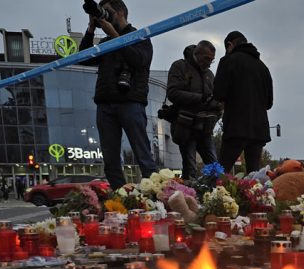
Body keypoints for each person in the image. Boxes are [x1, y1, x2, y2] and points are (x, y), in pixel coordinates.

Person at [79, 0, 157, 190]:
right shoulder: (105, 42)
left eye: (107, 12)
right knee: (110, 158)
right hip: (105, 103)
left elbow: (138, 61)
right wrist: (91, 27)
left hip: (131, 102)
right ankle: (121, 197)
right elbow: (83, 57)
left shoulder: (140, 36)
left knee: (142, 154)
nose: (104, 16)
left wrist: (113, 34)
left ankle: (157, 195)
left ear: (120, 12)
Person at [213, 31, 273, 175]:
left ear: (229, 45)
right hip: (259, 129)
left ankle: (213, 196)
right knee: (254, 177)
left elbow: (218, 94)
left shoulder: (228, 61)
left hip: (236, 127)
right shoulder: (263, 68)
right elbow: (269, 103)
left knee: (221, 172)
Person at [167, 41, 221, 180]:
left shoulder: (209, 74)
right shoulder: (180, 66)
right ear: (196, 54)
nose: (209, 63)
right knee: (190, 166)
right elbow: (173, 93)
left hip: (205, 127)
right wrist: (201, 98)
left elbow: (215, 98)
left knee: (214, 166)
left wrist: (217, 108)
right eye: (207, 59)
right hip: (186, 124)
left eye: (211, 60)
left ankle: (213, 194)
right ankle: (190, 195)